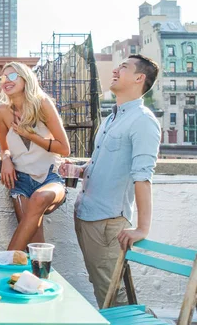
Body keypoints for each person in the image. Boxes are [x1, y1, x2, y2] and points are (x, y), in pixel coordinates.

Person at [72, 54, 160, 308]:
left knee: (113, 295)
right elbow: (102, 162)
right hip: (87, 217)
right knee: (104, 288)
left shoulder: (143, 121)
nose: (115, 70)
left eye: (123, 67)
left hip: (107, 224)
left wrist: (142, 228)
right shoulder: (111, 117)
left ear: (139, 78)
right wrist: (79, 169)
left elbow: (143, 176)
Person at [0, 62, 71, 252]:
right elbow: (5, 149)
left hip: (49, 177)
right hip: (20, 181)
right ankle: (37, 279)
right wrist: (5, 160)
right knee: (35, 245)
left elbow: (64, 148)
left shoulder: (43, 104)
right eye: (2, 78)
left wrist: (30, 135)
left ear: (25, 78)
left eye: (12, 76)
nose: (6, 81)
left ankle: (4, 262)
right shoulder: (1, 111)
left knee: (39, 197)